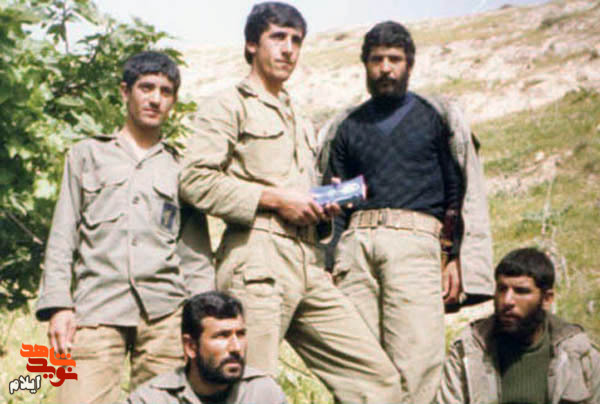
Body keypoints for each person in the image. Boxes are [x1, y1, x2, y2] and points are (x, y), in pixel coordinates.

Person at [179, 3, 404, 403]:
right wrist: (275, 199)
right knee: (251, 390)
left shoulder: (298, 115)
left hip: (308, 262)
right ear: (252, 44)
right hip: (257, 260)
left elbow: (298, 194)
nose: (288, 49)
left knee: (377, 380)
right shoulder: (229, 104)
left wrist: (321, 208)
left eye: (296, 40)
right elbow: (194, 180)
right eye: (278, 38)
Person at [322, 21, 494, 403]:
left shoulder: (435, 116)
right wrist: (328, 262)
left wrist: (453, 256)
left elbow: (456, 192)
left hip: (415, 243)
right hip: (356, 247)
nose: (385, 68)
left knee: (416, 364)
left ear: (409, 65)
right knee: (356, 367)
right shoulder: (346, 125)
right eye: (377, 59)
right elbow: (335, 204)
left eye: (394, 59)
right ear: (365, 65)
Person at [35, 51, 214, 404]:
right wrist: (58, 306)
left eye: (165, 91)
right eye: (146, 88)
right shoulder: (87, 155)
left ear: (173, 101)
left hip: (165, 315)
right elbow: (62, 236)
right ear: (125, 91)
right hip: (95, 311)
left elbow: (196, 257)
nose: (155, 99)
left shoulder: (180, 169)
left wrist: (200, 321)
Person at [436, 247, 600, 404]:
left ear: (547, 299)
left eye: (521, 291)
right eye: (502, 289)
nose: (507, 300)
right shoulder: (469, 351)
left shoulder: (579, 352)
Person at [125, 291, 287, 404]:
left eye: (240, 334)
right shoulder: (151, 399)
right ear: (191, 346)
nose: (236, 347)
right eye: (222, 336)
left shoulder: (264, 393)